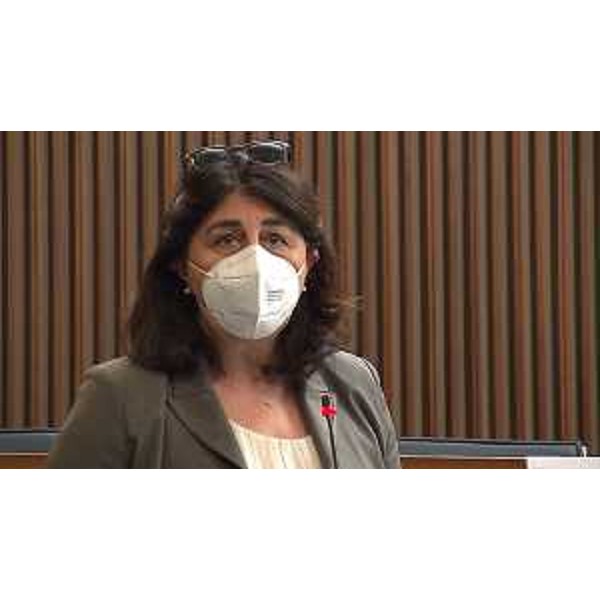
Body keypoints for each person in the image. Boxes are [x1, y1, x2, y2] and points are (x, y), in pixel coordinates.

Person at [48, 141, 400, 469]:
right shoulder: (118, 397)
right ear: (182, 266)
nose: (255, 259)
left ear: (308, 262)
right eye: (227, 239)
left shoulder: (354, 384)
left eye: (275, 239)